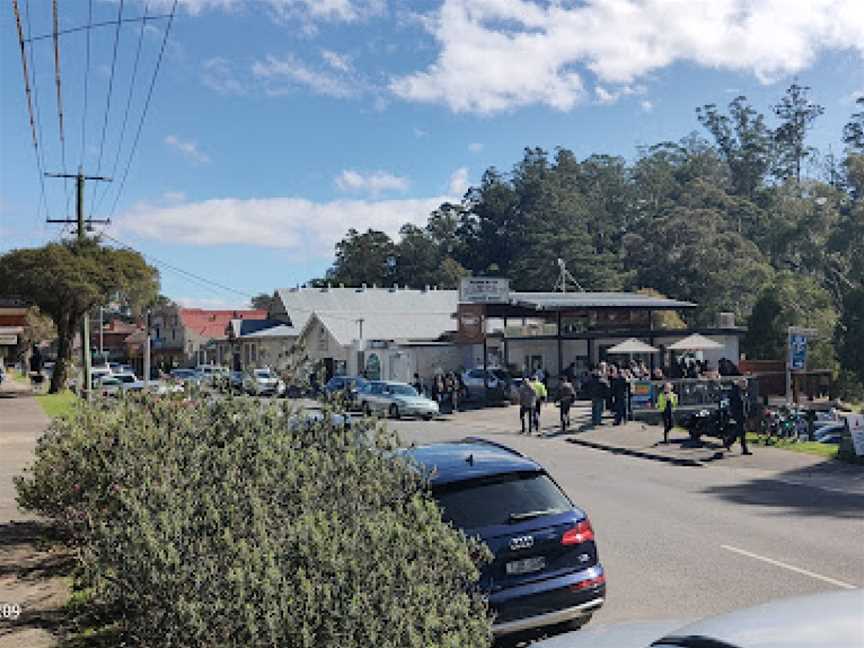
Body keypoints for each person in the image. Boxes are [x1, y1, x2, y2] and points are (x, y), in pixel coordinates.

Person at [725, 379, 752, 454]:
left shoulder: (744, 392)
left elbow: (746, 403)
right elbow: (734, 404)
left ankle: (728, 442)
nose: (745, 386)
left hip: (743, 414)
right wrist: (733, 414)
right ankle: (744, 449)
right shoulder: (735, 392)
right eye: (744, 384)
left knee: (739, 431)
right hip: (738, 414)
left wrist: (747, 412)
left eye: (746, 384)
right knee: (742, 431)